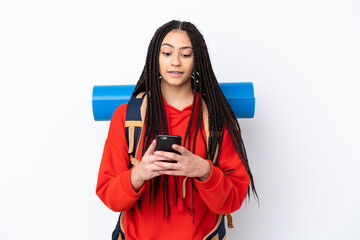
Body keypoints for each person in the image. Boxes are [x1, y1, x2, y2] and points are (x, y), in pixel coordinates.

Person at [96, 20, 257, 240]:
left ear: (196, 59)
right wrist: (139, 173)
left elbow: (232, 200)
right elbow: (111, 197)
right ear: (156, 58)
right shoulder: (126, 116)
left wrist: (204, 171)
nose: (175, 62)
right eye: (167, 53)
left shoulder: (218, 118)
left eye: (186, 54)